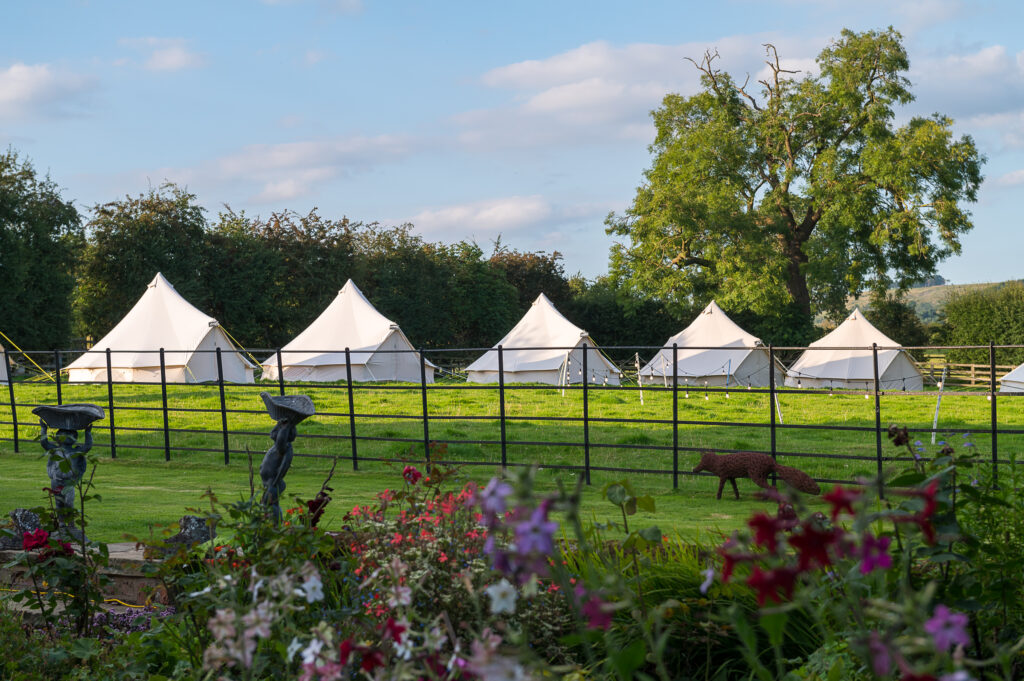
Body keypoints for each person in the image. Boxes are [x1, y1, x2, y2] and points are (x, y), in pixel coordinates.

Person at [40, 422, 92, 517]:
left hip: (69, 482)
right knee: (59, 503)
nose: (67, 437)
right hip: (56, 481)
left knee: (69, 502)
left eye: (71, 435)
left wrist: (88, 433)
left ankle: (70, 522)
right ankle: (61, 522)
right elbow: (44, 443)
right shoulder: (55, 450)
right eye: (63, 434)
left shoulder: (76, 451)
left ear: (75, 438)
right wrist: (43, 429)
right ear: (58, 437)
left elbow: (87, 446)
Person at [259, 415, 296, 523]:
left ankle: (276, 524)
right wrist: (280, 425)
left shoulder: (285, 449)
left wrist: (286, 427)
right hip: (269, 482)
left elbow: (284, 466)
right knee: (268, 504)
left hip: (273, 483)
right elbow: (272, 434)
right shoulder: (276, 448)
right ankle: (273, 524)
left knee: (269, 504)